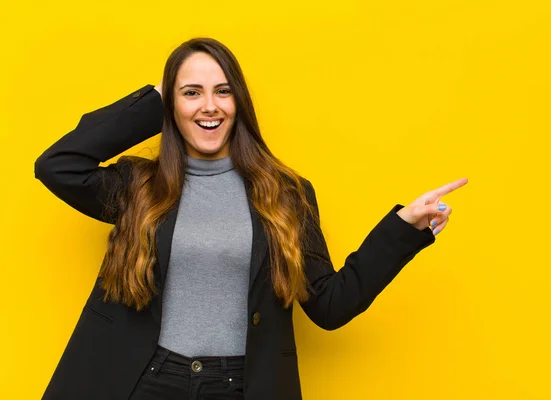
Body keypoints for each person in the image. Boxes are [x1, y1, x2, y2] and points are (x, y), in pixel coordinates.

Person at [34, 37, 468, 400]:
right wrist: (154, 102)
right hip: (146, 382)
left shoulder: (285, 194)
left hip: (239, 387)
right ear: (172, 105)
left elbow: (330, 305)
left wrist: (402, 230)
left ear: (239, 102)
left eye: (223, 91)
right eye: (191, 93)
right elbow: (58, 165)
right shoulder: (137, 187)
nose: (210, 106)